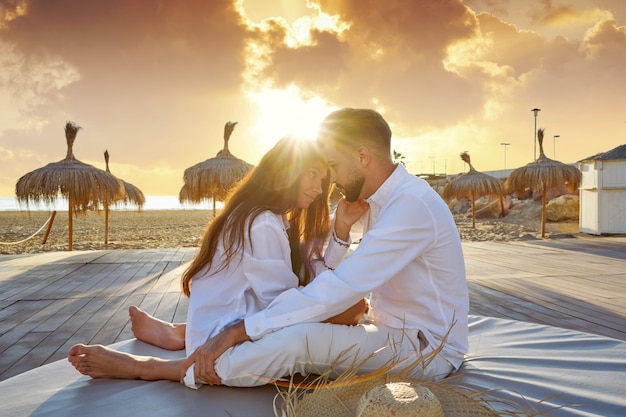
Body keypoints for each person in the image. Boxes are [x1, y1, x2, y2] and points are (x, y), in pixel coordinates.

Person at [179, 108, 469, 387]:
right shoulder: (381, 201)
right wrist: (340, 227)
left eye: (333, 167)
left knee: (298, 341)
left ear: (362, 156)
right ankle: (189, 348)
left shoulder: (410, 205)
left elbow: (341, 286)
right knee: (294, 322)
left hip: (426, 349)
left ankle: (189, 369)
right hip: (389, 329)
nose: (330, 181)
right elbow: (315, 241)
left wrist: (237, 331)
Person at [68, 135, 368, 385]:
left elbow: (302, 284)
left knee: (343, 307)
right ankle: (148, 367)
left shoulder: (268, 217)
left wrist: (340, 232)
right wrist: (339, 306)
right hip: (218, 351)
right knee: (326, 321)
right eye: (312, 173)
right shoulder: (262, 222)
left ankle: (180, 333)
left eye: (324, 180)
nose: (318, 189)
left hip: (218, 325)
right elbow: (284, 308)